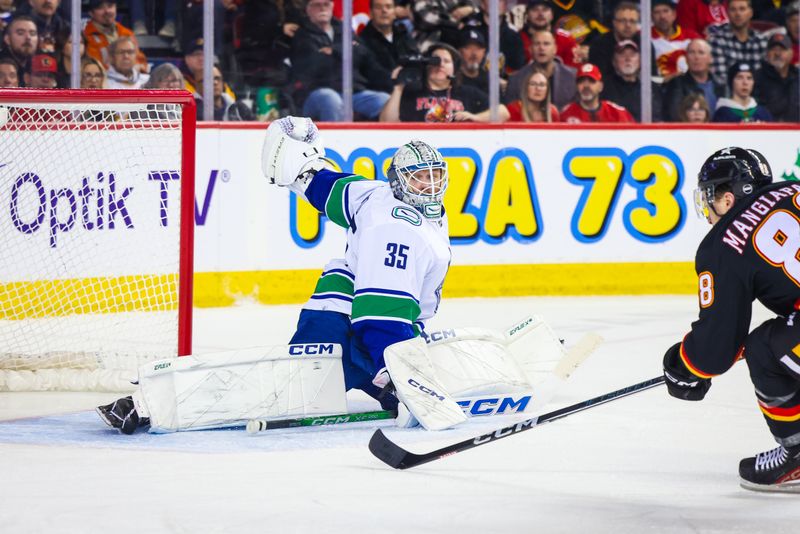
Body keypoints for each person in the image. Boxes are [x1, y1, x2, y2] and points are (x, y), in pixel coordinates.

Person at [97, 117, 452, 433]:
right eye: (420, 177)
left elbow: (325, 186)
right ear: (398, 180)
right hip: (342, 324)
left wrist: (302, 166)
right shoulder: (395, 229)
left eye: (435, 175)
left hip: (364, 326)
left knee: (391, 389)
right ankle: (148, 404)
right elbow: (380, 315)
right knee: (279, 392)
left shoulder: (372, 193)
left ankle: (381, 372)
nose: (430, 185)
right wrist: (397, 372)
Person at [662, 147, 800, 492]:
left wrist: (682, 365)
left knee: (766, 348)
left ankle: (797, 454)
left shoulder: (723, 244)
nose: (708, 208)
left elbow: (713, 352)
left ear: (727, 198)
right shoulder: (794, 189)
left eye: (710, 196)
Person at [289, 0, 391, 121]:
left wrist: (334, 51)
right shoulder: (302, 35)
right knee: (330, 99)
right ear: (308, 10)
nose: (322, 8)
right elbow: (312, 67)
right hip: (317, 93)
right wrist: (346, 51)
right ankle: (336, 140)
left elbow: (363, 54)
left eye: (326, 4)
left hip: (354, 92)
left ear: (332, 7)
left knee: (385, 100)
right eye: (317, 5)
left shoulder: (345, 30)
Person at [379, 42, 488, 122]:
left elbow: (502, 112)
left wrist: (476, 117)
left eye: (446, 61)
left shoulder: (467, 92)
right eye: (435, 60)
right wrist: (398, 88)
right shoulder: (411, 92)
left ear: (454, 68)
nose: (441, 64)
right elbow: (386, 123)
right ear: (427, 66)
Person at [455, 66, 558, 122]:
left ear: (547, 90)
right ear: (526, 88)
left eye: (542, 85)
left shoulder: (552, 112)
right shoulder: (515, 108)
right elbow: (501, 111)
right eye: (533, 84)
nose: (538, 89)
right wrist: (475, 117)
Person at [504, 28, 575, 109]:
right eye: (537, 44)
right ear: (530, 49)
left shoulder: (572, 77)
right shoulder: (516, 80)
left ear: (555, 49)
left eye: (546, 44)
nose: (541, 48)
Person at [662, 38, 725, 121]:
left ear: (710, 58)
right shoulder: (676, 84)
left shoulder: (721, 84)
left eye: (701, 53)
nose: (696, 57)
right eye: (692, 52)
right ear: (686, 59)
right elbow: (674, 116)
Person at [600, 40, 663, 122]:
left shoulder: (652, 88)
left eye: (632, 55)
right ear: (614, 62)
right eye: (622, 55)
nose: (628, 59)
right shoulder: (604, 88)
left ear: (640, 61)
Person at [708, 0, 768, 86]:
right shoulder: (717, 40)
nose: (738, 14)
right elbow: (721, 80)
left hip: (759, 94)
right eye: (733, 10)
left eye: (742, 9)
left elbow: (766, 77)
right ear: (727, 13)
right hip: (728, 95)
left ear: (750, 13)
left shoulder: (761, 40)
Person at [84, 0, 148, 74]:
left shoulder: (126, 33)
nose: (107, 11)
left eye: (110, 6)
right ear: (91, 13)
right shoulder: (86, 35)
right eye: (100, 8)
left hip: (129, 80)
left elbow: (141, 62)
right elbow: (93, 68)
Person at [560, 63, 635, 123]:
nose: (586, 86)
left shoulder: (617, 113)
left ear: (600, 86)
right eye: (581, 81)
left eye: (591, 81)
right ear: (576, 86)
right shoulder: (566, 113)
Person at [358, 0, 419, 74]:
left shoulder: (404, 36)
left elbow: (417, 63)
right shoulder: (362, 42)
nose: (384, 10)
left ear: (394, 13)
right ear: (370, 13)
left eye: (388, 7)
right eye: (378, 7)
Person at [520, 0, 581, 68]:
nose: (540, 14)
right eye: (535, 9)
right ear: (527, 14)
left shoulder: (566, 39)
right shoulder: (517, 38)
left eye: (545, 9)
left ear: (552, 14)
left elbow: (573, 73)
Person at [754, 32, 799, 122]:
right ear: (767, 54)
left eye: (782, 49)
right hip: (768, 131)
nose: (777, 53)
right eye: (773, 49)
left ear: (791, 53)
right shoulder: (757, 77)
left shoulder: (798, 76)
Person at [651, 0, 701, 80]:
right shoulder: (644, 38)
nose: (662, 16)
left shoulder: (691, 37)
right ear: (651, 17)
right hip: (659, 88)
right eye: (657, 12)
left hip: (690, 87)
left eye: (666, 11)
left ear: (674, 14)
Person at [588, 2, 640, 78]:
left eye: (632, 21)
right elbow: (597, 78)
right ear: (614, 23)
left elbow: (652, 76)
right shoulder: (599, 45)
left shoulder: (644, 44)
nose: (628, 25)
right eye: (623, 21)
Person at [0, 16, 38, 85]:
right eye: (20, 33)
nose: (28, 37)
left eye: (32, 34)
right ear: (7, 39)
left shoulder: (38, 64)